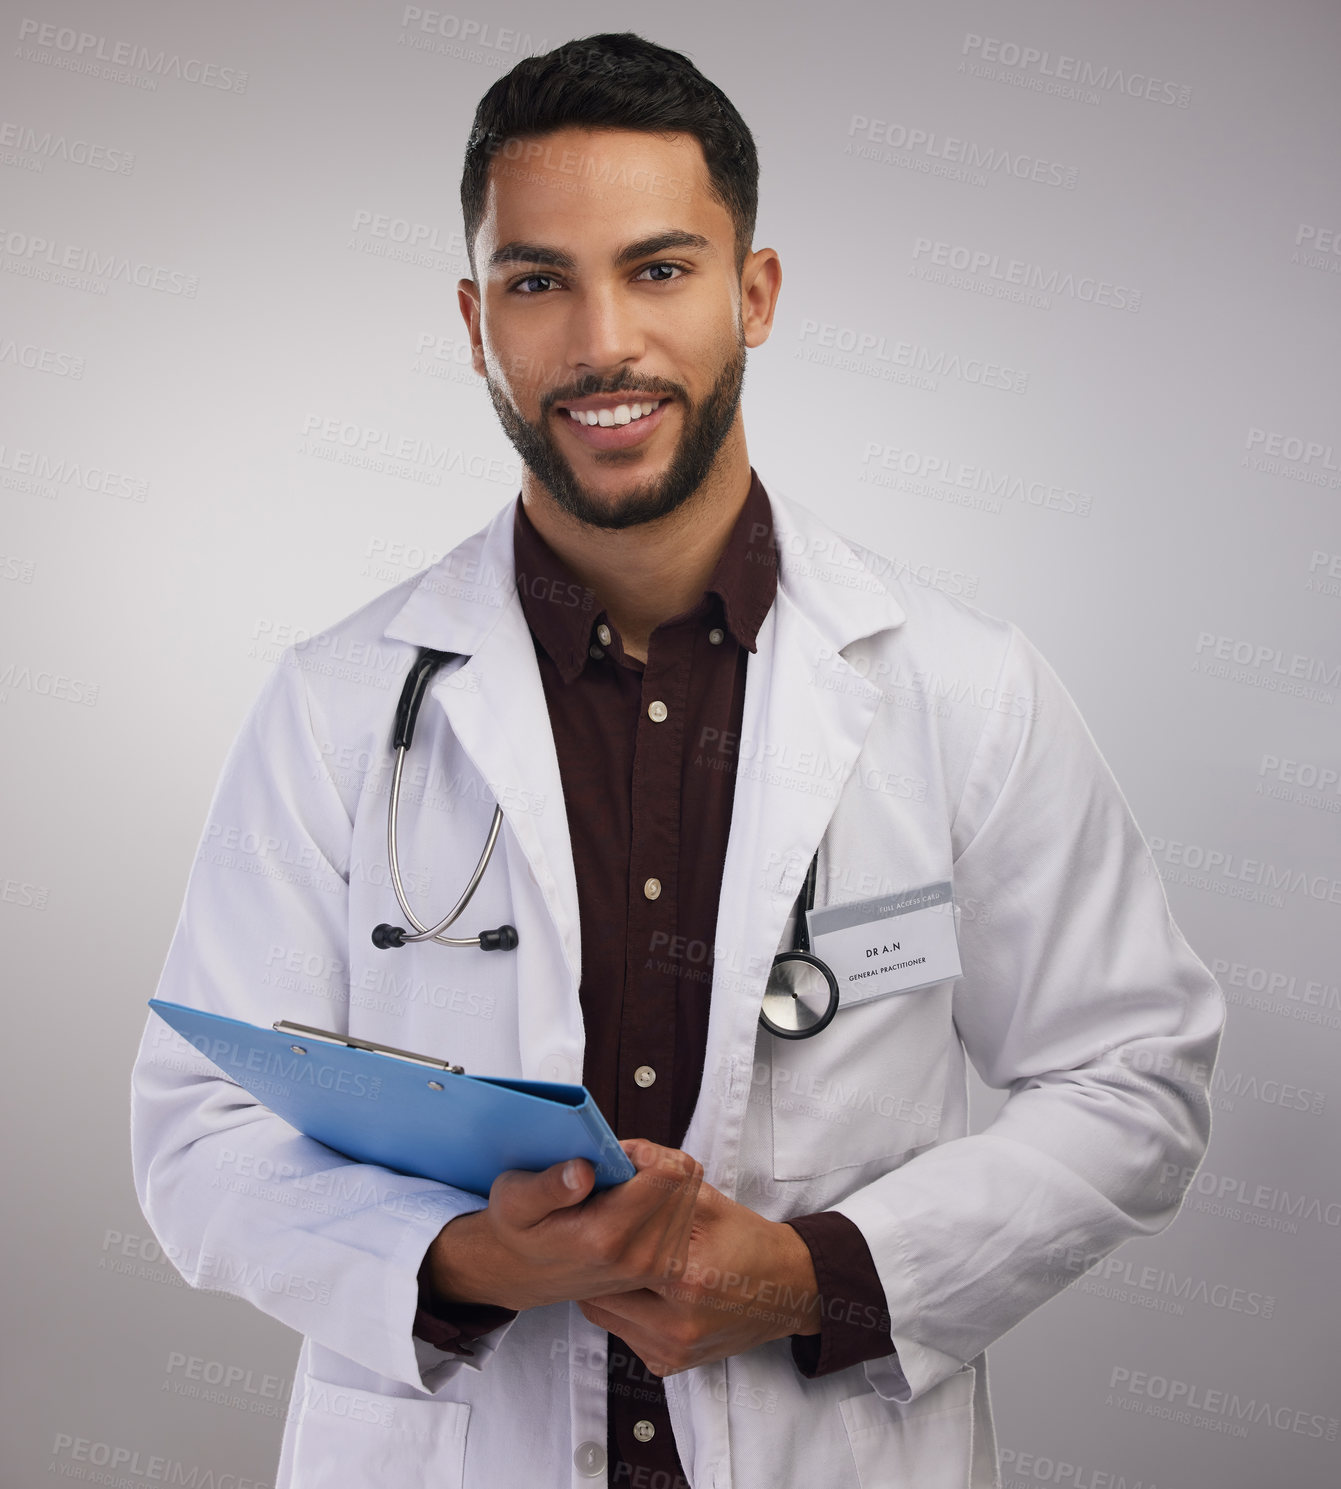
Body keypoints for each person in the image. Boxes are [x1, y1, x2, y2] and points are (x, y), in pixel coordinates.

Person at [130, 32, 1224, 1489]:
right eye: (537, 281)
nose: (599, 344)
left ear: (751, 293)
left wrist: (820, 1273)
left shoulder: (961, 688)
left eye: (657, 270)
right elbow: (199, 1128)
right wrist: (466, 1259)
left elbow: (1132, 1073)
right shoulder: (338, 701)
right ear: (474, 320)